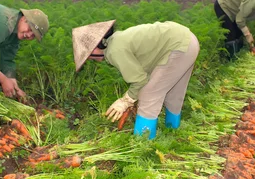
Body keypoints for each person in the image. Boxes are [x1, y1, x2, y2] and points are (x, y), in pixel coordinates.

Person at [72, 20, 200, 140]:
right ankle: (173, 133)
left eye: (88, 55)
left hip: (178, 47)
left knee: (148, 95)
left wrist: (125, 101)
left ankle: (143, 145)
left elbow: (140, 81)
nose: (90, 59)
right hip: (188, 40)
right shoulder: (116, 40)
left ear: (94, 48)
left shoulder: (113, 51)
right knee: (173, 93)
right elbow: (145, 72)